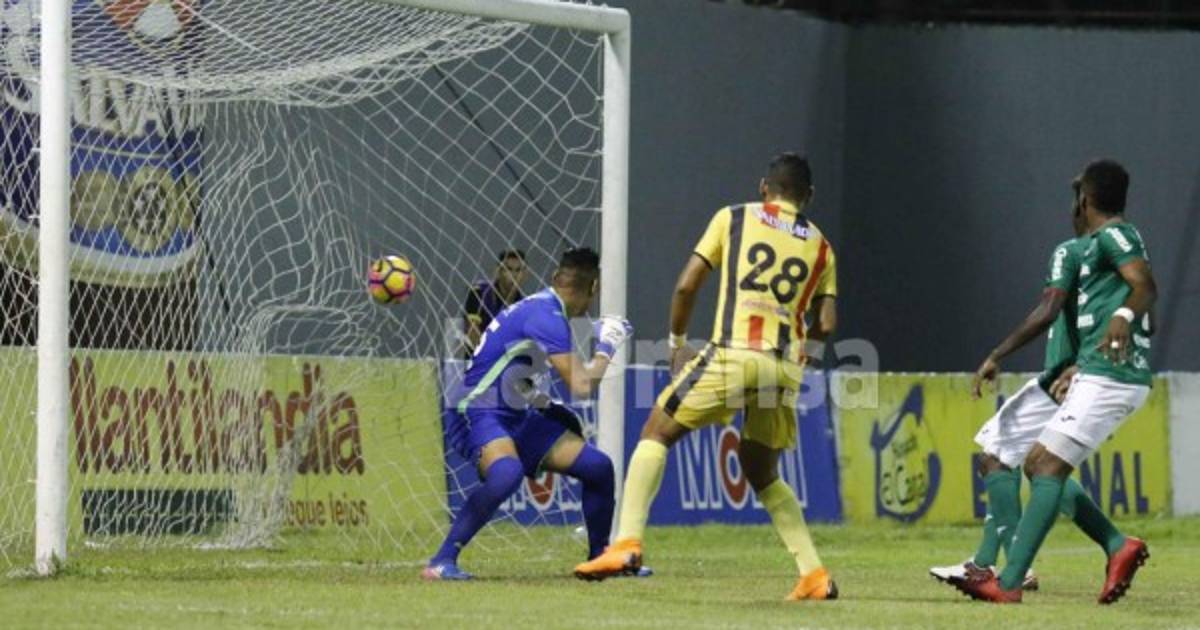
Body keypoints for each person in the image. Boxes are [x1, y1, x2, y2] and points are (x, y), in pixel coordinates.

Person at [574, 153, 840, 601]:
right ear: (808, 196)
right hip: (782, 367)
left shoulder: (734, 218)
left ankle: (626, 544)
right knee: (762, 471)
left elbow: (687, 284)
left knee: (656, 431)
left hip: (735, 352)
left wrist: (677, 343)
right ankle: (813, 574)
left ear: (764, 188)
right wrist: (803, 356)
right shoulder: (822, 246)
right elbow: (827, 323)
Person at [957, 159, 1156, 604]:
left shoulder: (1114, 237)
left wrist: (1124, 317)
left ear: (1084, 200)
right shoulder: (1101, 249)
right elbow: (1148, 312)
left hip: (1113, 376)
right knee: (1035, 461)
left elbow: (1145, 287)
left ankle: (1008, 581)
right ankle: (1114, 547)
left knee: (1043, 465)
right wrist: (1082, 361)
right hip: (1096, 371)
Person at [424, 247, 633, 580]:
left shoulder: (541, 308)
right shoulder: (548, 318)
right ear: (593, 288)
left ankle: (600, 559)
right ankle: (442, 559)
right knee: (507, 473)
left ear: (555, 277)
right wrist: (607, 346)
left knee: (598, 467)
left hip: (516, 412)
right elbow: (581, 385)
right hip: (476, 409)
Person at [463, 249, 528, 355]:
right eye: (509, 269)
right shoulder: (479, 292)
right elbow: (472, 331)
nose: (514, 275)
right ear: (498, 271)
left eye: (518, 270)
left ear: (525, 274)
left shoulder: (525, 306)